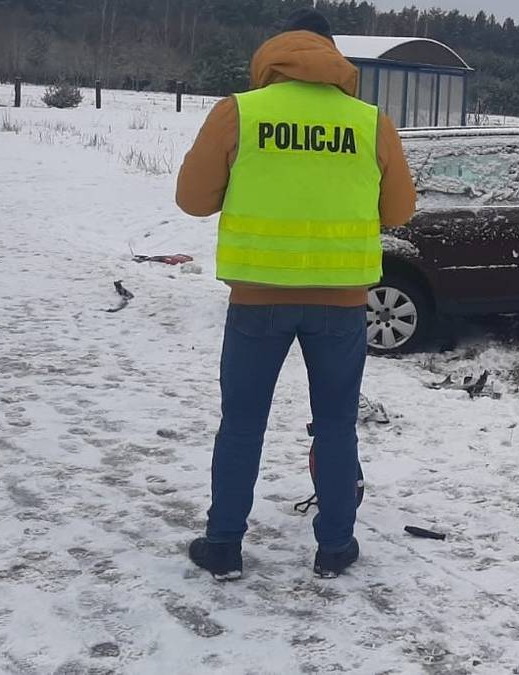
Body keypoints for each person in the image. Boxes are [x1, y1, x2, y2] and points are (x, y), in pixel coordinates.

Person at [175, 8, 415, 580]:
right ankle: (334, 549)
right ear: (337, 60)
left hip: (257, 303)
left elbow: (192, 199)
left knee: (241, 425)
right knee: (335, 426)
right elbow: (400, 211)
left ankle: (224, 546)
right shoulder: (369, 122)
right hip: (340, 306)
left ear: (273, 55)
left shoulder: (240, 112)